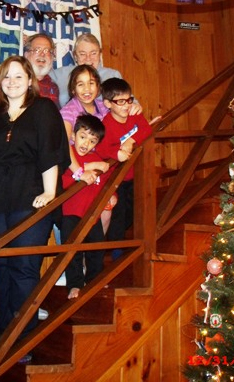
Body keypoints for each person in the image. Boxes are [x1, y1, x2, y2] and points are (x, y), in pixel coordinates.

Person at [0, 56, 69, 363]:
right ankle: (1, 336)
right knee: (0, 269)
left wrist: (50, 192)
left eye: (18, 76)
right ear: (0, 82)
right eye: (6, 77)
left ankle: (22, 339)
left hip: (31, 194)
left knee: (24, 268)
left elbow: (51, 151)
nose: (12, 81)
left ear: (30, 80)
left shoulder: (44, 109)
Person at [97, 78, 153, 259]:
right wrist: (116, 153)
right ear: (108, 103)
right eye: (120, 102)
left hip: (134, 174)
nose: (126, 105)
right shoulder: (106, 124)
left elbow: (146, 130)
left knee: (135, 208)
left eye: (129, 100)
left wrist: (131, 141)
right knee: (118, 214)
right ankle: (117, 248)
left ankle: (129, 243)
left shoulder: (135, 116)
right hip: (116, 179)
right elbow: (102, 148)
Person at [61, 115, 113, 300]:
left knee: (97, 248)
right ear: (73, 136)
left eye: (92, 141)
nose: (86, 143)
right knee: (72, 250)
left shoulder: (98, 158)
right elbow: (64, 179)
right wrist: (88, 166)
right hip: (71, 213)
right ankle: (74, 284)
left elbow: (107, 179)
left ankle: (94, 279)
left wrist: (112, 195)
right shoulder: (69, 156)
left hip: (92, 215)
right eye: (83, 137)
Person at [60, 64, 112, 231]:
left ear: (98, 86)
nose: (87, 89)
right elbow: (64, 143)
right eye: (80, 84)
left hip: (101, 166)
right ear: (73, 89)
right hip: (74, 164)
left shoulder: (103, 107)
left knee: (107, 208)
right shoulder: (69, 110)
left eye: (91, 83)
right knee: (77, 218)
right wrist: (79, 171)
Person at [50, 32, 143, 114]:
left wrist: (135, 106)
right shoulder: (59, 74)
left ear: (100, 54)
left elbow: (129, 100)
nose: (88, 58)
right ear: (75, 56)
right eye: (82, 54)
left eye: (93, 53)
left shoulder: (112, 75)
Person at [0, 33, 60, 108]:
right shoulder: (8, 81)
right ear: (26, 55)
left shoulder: (53, 88)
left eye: (47, 51)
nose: (42, 54)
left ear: (52, 57)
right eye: (37, 50)